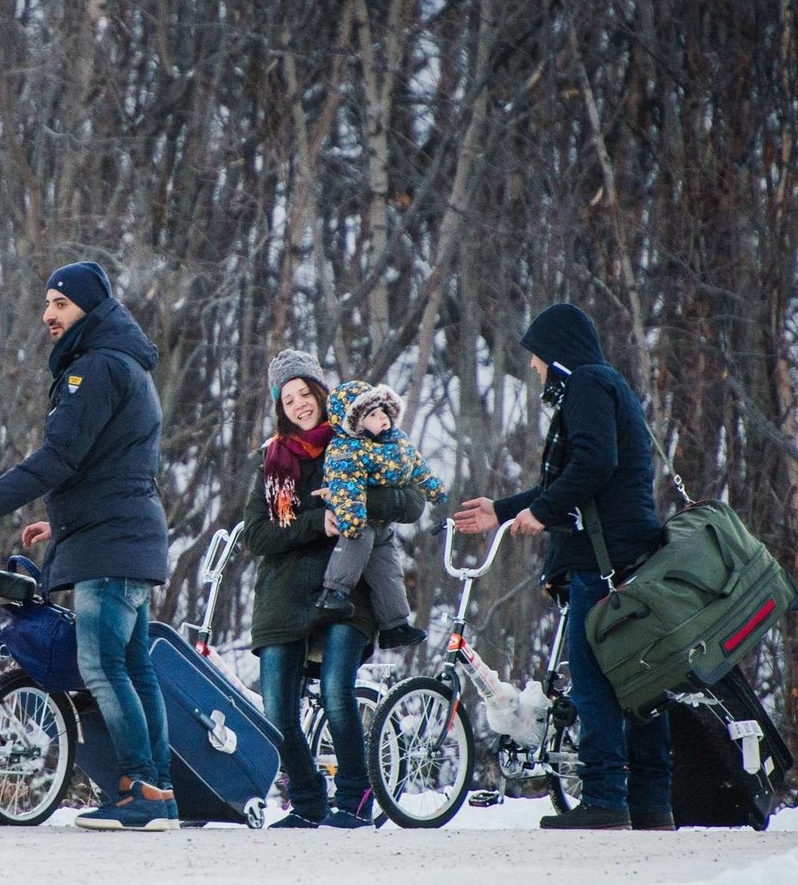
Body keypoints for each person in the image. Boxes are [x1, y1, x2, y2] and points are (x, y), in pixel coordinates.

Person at [0, 260, 174, 831]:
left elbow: (61, 456)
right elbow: (116, 464)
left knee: (102, 666)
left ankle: (142, 790)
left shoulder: (95, 367)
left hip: (111, 545)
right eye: (47, 304)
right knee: (133, 668)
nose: (49, 315)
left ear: (89, 309)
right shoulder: (123, 364)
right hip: (124, 534)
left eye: (61, 304)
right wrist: (63, 520)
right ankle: (157, 791)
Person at [453, 302, 670, 831]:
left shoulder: (587, 384)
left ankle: (604, 800)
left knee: (592, 680)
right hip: (625, 552)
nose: (533, 368)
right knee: (636, 680)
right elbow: (578, 475)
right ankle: (650, 803)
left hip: (603, 560)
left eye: (537, 357)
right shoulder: (605, 384)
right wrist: (504, 510)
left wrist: (543, 511)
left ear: (558, 354)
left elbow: (595, 463)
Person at [244, 350, 425, 829]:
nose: (299, 405)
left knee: (336, 693)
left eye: (305, 393)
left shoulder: (360, 438)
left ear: (323, 394)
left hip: (346, 592)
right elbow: (257, 535)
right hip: (283, 595)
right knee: (277, 711)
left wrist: (353, 501)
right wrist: (316, 522)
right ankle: (307, 802)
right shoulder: (273, 459)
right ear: (280, 408)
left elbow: (411, 501)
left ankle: (355, 797)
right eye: (288, 399)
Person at [312, 381, 447, 649]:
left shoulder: (398, 442)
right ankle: (333, 593)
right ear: (355, 423)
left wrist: (434, 490)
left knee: (389, 572)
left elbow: (417, 467)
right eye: (372, 414)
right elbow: (347, 486)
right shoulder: (347, 449)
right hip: (359, 518)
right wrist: (352, 520)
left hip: (383, 524)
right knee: (355, 546)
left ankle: (395, 625)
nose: (382, 418)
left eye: (383, 411)